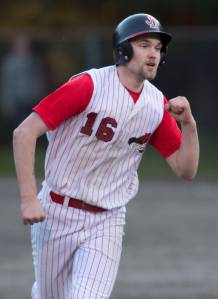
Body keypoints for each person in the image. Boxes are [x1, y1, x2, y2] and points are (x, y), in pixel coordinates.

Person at [13, 13, 199, 299]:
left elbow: (185, 170)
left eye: (158, 48)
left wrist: (189, 125)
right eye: (144, 45)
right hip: (57, 212)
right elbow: (24, 133)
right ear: (123, 49)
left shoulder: (155, 105)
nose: (153, 54)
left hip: (107, 219)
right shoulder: (88, 86)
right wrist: (28, 199)